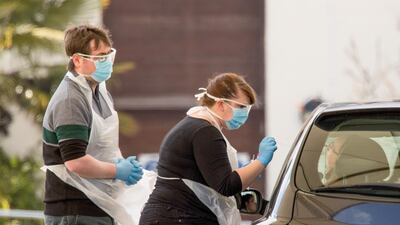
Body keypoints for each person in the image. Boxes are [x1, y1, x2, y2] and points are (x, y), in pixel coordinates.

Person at [139, 73, 278, 225]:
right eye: (241, 107)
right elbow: (226, 186)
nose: (245, 113)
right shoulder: (205, 132)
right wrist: (260, 162)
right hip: (176, 217)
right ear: (220, 104)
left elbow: (210, 182)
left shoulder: (197, 126)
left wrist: (248, 175)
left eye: (248, 108)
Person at [42, 25, 143, 225]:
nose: (106, 62)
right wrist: (117, 170)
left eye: (108, 55)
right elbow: (75, 162)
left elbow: (104, 141)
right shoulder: (71, 100)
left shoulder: (99, 91)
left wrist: (122, 162)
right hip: (74, 210)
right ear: (77, 60)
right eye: (99, 57)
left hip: (100, 204)